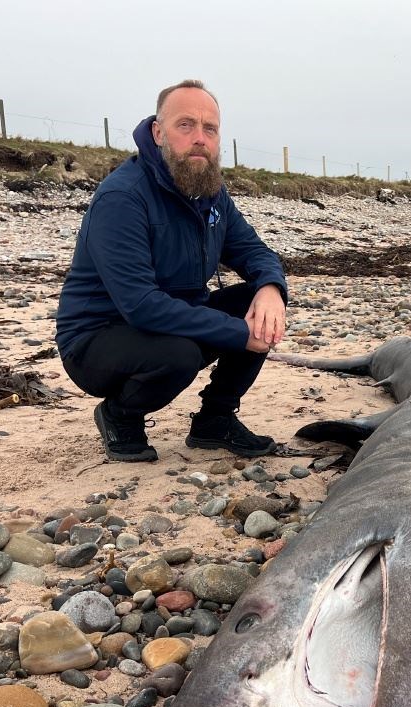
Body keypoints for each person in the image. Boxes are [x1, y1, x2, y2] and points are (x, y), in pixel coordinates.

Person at [56, 80, 287, 462]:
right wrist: (237, 332)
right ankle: (119, 416)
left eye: (209, 128)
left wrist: (271, 290)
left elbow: (254, 251)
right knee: (177, 354)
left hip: (172, 323)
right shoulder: (123, 197)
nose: (200, 138)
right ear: (158, 132)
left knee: (258, 306)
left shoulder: (210, 192)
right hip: (96, 339)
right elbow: (140, 304)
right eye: (186, 125)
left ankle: (215, 420)